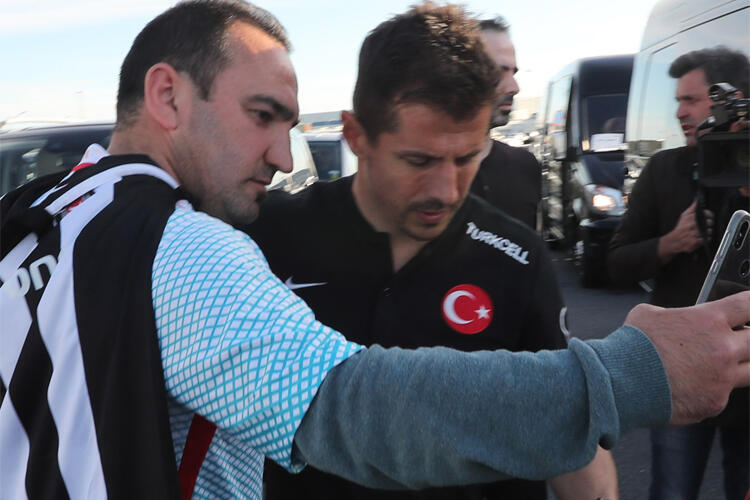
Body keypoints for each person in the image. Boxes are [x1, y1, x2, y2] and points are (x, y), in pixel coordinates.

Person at [1, 2, 750, 499]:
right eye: (262, 115)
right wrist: (633, 373)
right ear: (166, 95)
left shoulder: (38, 219)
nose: (284, 156)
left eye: (468, 157)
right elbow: (351, 408)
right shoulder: (186, 245)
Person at [246, 5, 616, 499]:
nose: (446, 190)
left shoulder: (515, 258)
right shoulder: (269, 237)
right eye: (419, 160)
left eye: (466, 158)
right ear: (356, 136)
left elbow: (572, 429)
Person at [608, 46, 750, 500]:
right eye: (678, 101)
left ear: (732, 99)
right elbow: (615, 262)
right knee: (672, 490)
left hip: (747, 377)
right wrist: (670, 243)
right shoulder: (663, 169)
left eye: (691, 100)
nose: (679, 112)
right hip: (680, 371)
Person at [468, 17, 542, 229]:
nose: (514, 87)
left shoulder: (525, 166)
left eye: (513, 72)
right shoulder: (425, 176)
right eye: (498, 72)